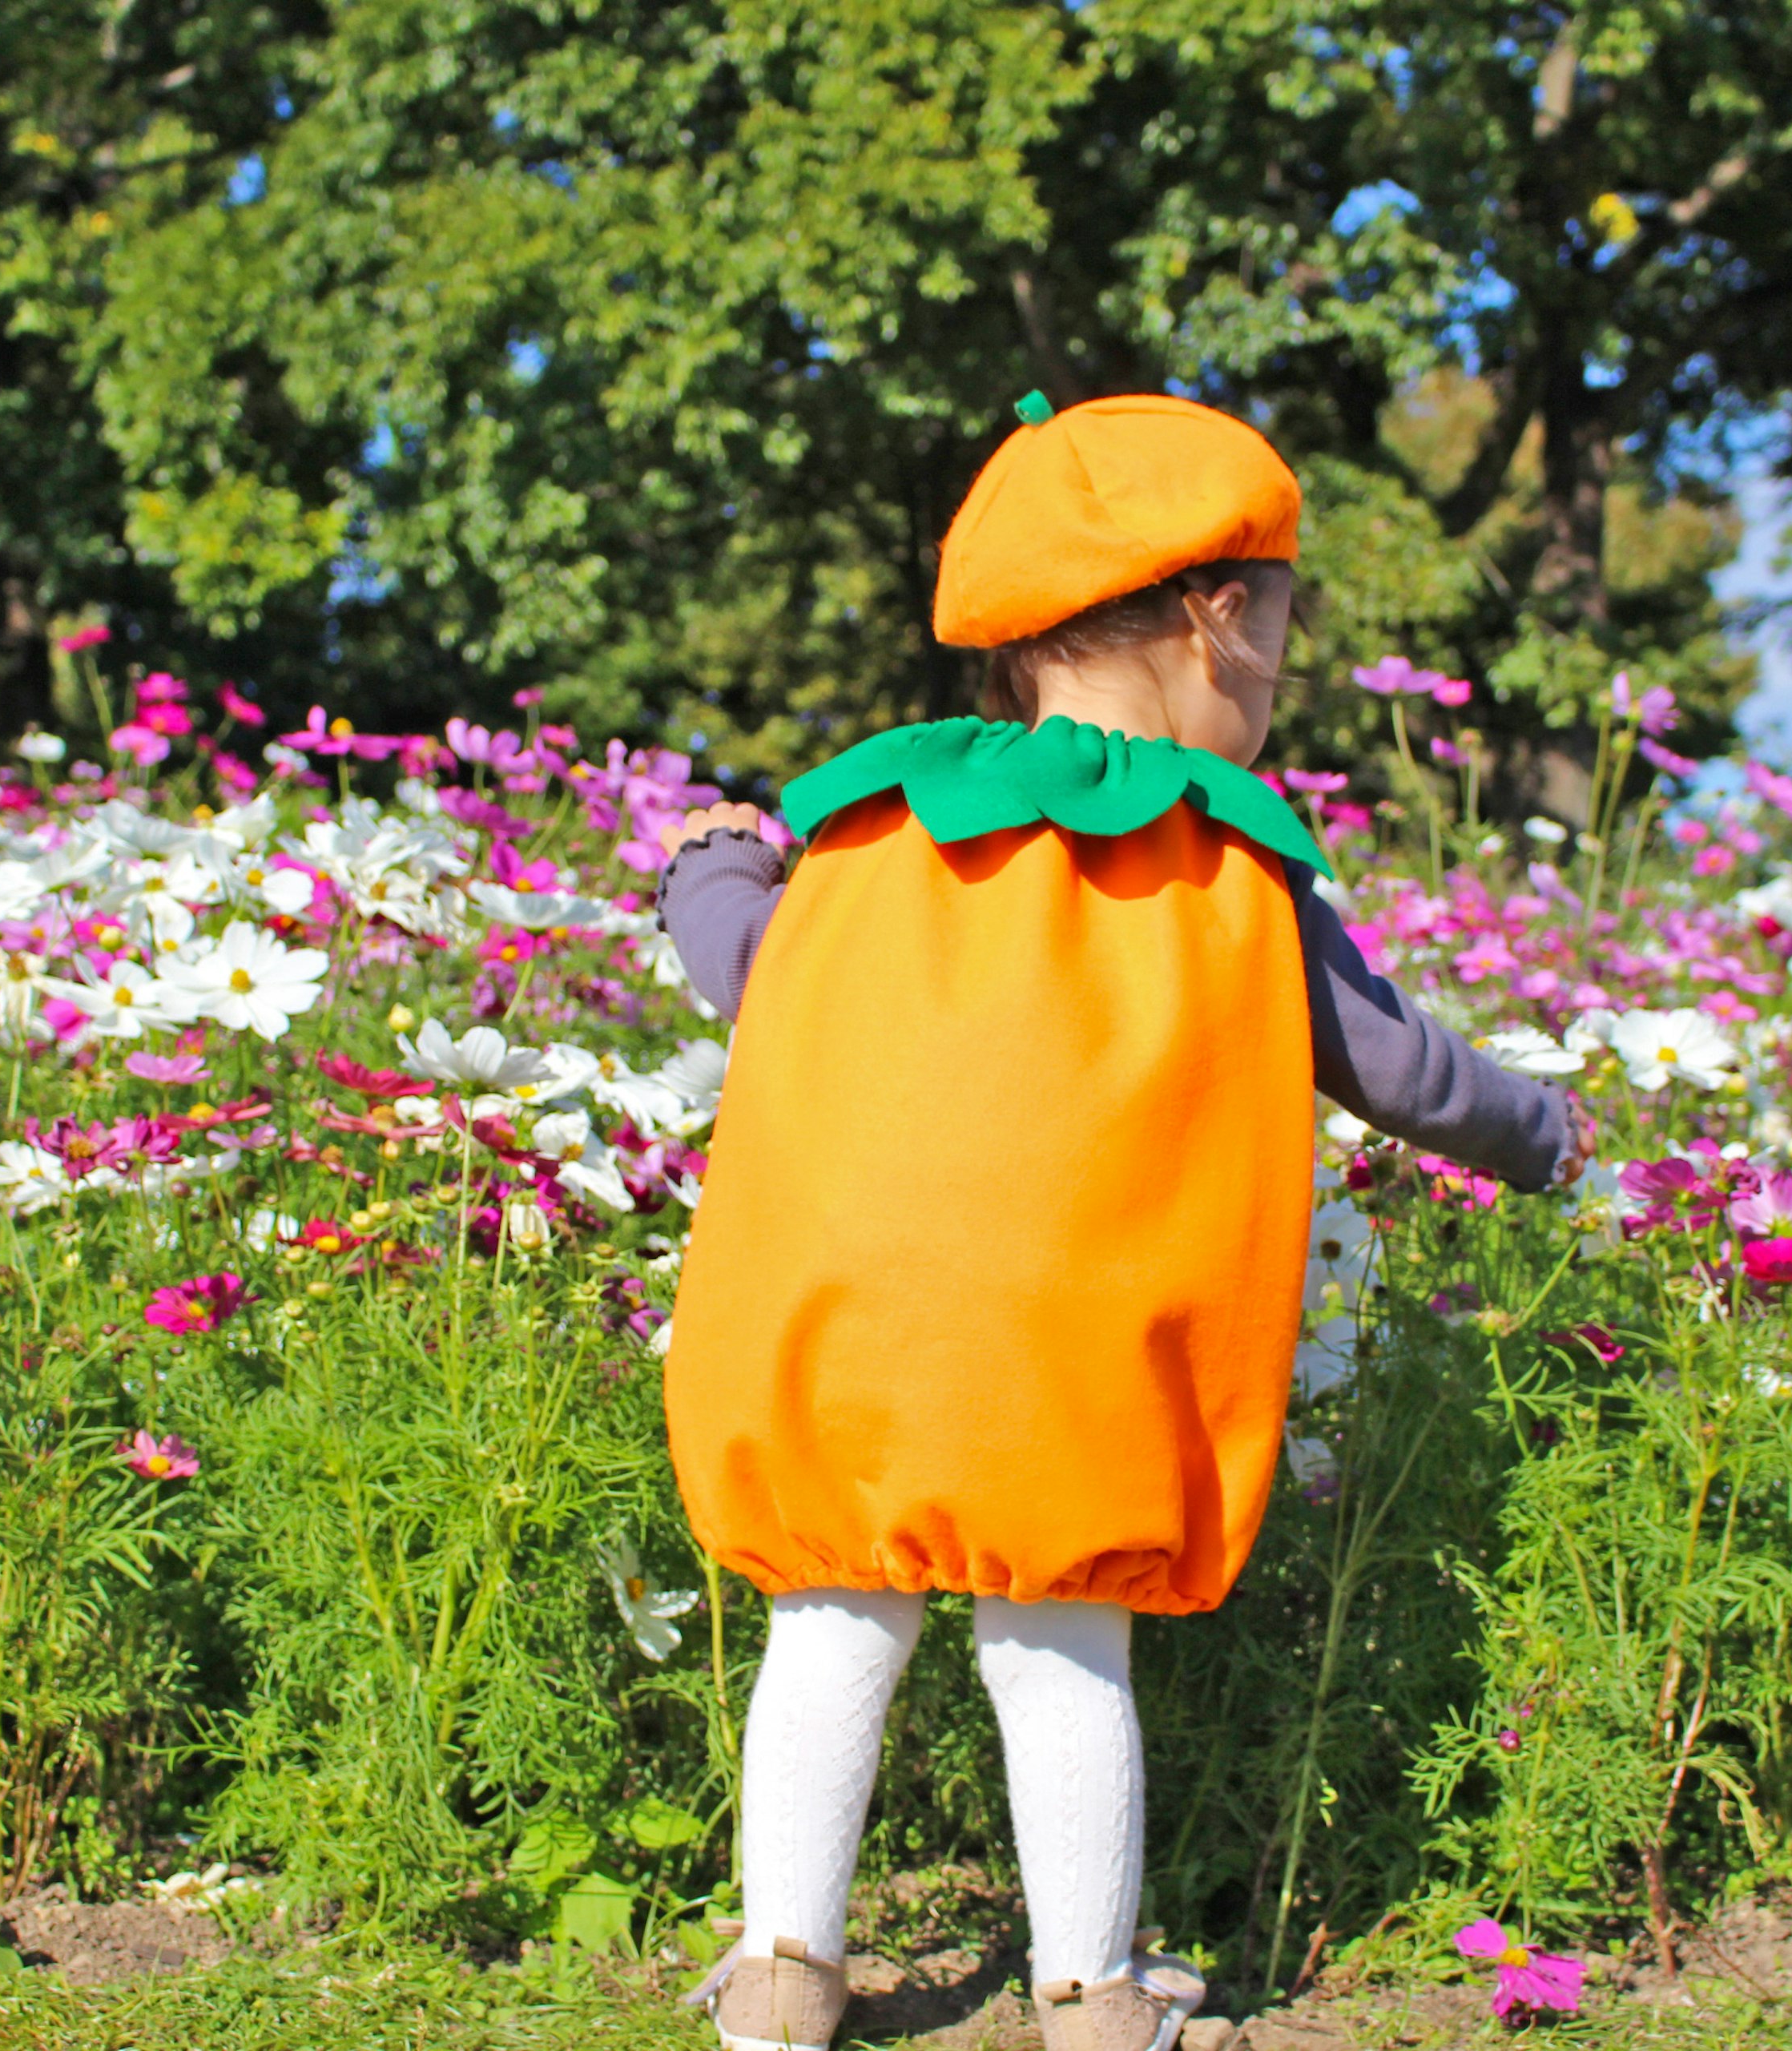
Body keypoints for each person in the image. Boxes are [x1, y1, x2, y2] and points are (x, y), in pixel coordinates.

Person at [654, 393, 1589, 2051]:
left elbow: (751, 971)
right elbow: (1390, 1064)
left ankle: (783, 1969)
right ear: (1217, 613)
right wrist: (1546, 1127)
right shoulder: (1228, 861)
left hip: (849, 1321)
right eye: (1285, 620)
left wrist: (713, 864)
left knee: (833, 1616)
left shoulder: (873, 826)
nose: (1282, 666)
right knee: (1060, 1640)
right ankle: (1091, 1997)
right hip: (1075, 1349)